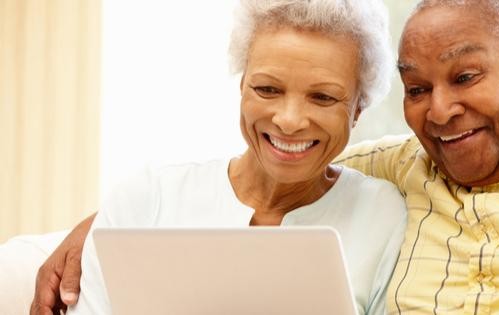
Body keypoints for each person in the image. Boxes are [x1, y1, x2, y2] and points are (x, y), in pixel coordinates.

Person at [32, 0, 499, 314]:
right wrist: (100, 225)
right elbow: (287, 156)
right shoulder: (405, 167)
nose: (439, 110)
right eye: (418, 88)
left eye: (465, 76)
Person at [28, 0, 408, 314]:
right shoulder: (147, 198)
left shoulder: (384, 216)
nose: (289, 121)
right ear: (242, 85)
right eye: (267, 89)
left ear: (359, 108)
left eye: (323, 97)